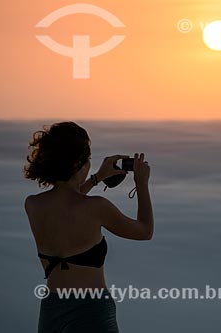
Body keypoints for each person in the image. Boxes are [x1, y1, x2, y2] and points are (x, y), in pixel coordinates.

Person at [23, 121, 153, 332]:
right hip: (91, 311)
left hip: (51, 310)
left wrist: (97, 178)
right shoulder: (96, 207)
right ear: (77, 163)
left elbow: (66, 205)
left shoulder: (33, 205)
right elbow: (145, 231)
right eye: (88, 159)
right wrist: (142, 184)